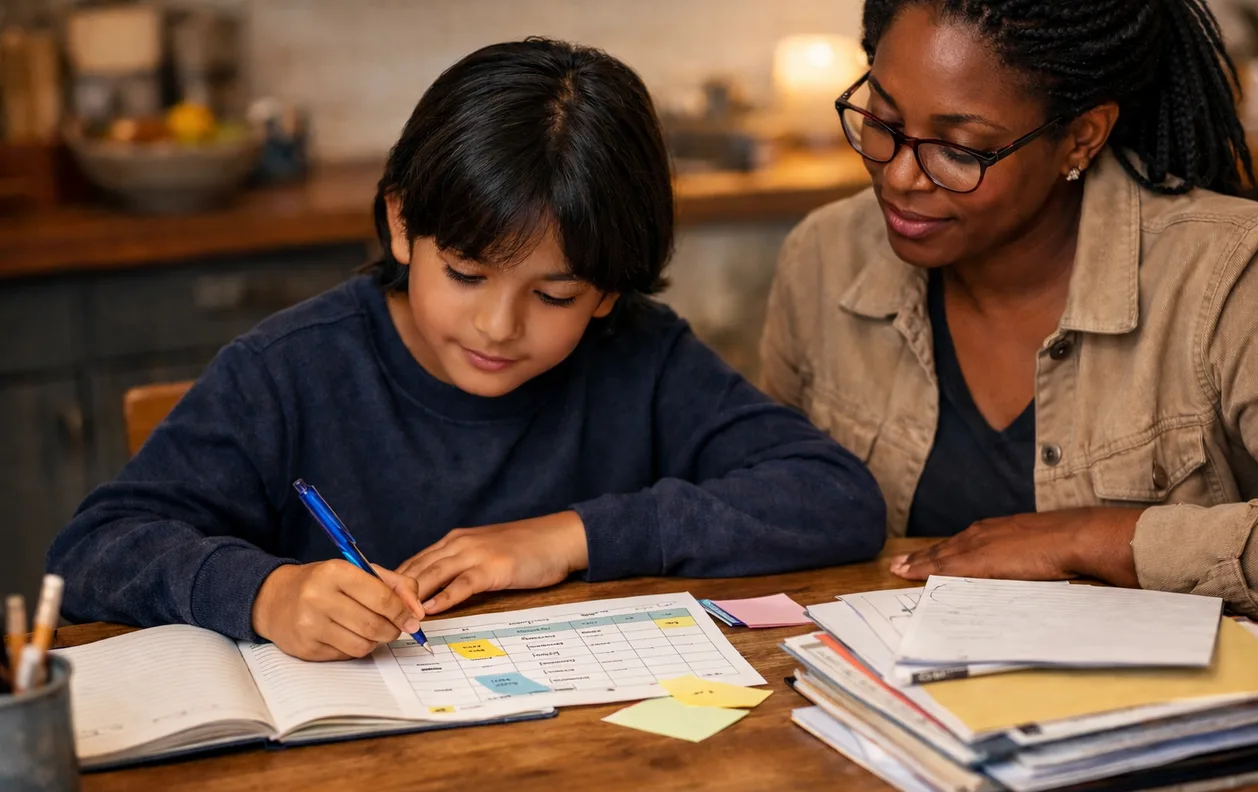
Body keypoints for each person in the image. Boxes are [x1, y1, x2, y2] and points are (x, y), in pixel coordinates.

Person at [47, 39, 886, 661]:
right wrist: (266, 592)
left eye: (554, 296)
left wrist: (568, 536)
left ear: (608, 292)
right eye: (466, 273)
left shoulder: (642, 357)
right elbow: (93, 549)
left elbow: (835, 497)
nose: (496, 326)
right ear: (403, 223)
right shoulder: (288, 371)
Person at [760, 0, 1258, 617]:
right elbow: (771, 492)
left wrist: (1086, 538)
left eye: (960, 149)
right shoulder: (824, 256)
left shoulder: (1236, 275)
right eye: (883, 119)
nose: (900, 176)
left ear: (1081, 138)